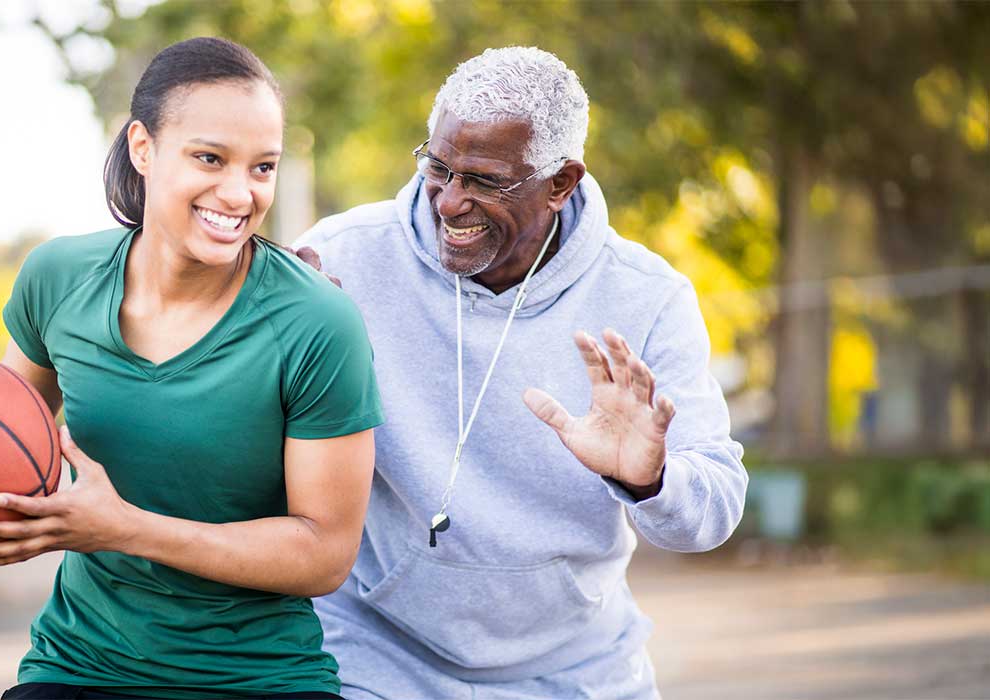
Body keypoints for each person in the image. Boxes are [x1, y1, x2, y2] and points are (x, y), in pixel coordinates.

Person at [0, 37, 382, 700]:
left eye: (262, 167)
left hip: (258, 678)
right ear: (143, 147)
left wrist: (125, 528)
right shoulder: (56, 279)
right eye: (209, 158)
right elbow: (0, 434)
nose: (239, 192)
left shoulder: (318, 324)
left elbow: (324, 554)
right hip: (81, 665)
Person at [293, 46, 747, 699]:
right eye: (438, 168)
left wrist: (648, 478)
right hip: (378, 654)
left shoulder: (648, 297)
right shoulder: (342, 260)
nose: (449, 202)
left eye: (483, 181)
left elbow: (712, 514)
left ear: (560, 183)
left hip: (576, 668)